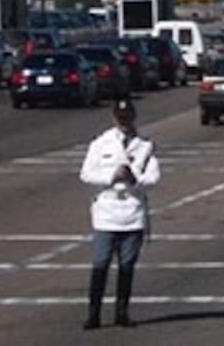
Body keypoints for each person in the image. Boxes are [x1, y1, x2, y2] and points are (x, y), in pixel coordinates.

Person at [79, 99, 160, 330]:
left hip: (132, 213)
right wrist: (111, 177)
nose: (124, 123)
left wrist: (134, 180)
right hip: (106, 212)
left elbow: (153, 178)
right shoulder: (100, 144)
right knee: (100, 264)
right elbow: (86, 173)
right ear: (114, 118)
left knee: (127, 266)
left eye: (128, 119)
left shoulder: (144, 146)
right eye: (121, 119)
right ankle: (93, 314)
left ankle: (122, 312)